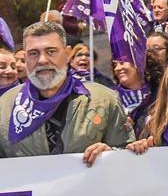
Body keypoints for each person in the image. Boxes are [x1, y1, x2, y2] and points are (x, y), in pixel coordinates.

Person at [0, 22, 134, 166]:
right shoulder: (4, 107)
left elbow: (128, 156)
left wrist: (111, 153)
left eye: (51, 51)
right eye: (34, 53)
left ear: (67, 53)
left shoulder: (104, 100)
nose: (42, 60)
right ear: (25, 58)